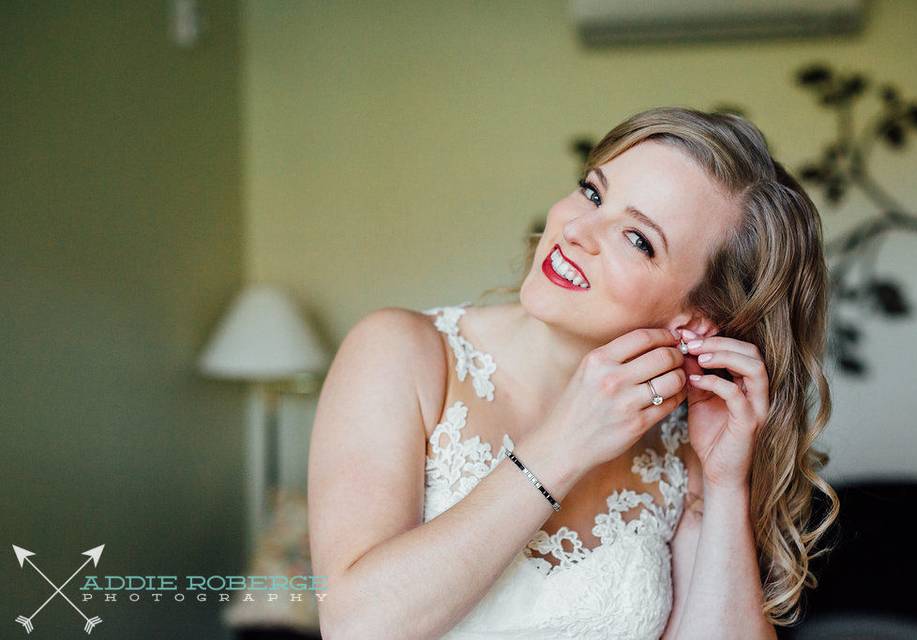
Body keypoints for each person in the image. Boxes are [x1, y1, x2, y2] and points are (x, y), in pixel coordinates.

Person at [307, 106, 839, 639]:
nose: (579, 230)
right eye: (593, 192)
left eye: (637, 239)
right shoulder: (403, 354)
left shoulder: (683, 443)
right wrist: (566, 443)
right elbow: (355, 625)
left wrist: (724, 488)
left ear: (695, 319)